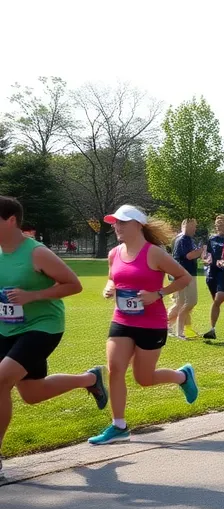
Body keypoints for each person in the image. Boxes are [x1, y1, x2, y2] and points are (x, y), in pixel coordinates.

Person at [0, 196, 107, 477]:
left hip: (43, 326)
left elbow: (74, 284)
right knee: (32, 393)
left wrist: (33, 295)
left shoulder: (36, 252)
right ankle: (90, 379)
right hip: (7, 328)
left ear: (11, 220)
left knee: (0, 379)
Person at [89, 205, 199, 444]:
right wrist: (109, 287)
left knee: (144, 378)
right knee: (115, 368)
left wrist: (158, 293)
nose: (116, 227)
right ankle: (119, 425)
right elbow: (112, 278)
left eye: (122, 222)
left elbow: (184, 277)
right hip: (122, 319)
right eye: (115, 223)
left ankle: (182, 376)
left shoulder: (154, 253)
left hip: (151, 323)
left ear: (138, 225)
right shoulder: (114, 253)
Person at [166, 218, 205, 340]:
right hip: (185, 275)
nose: (195, 229)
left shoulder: (184, 238)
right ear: (185, 226)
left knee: (180, 303)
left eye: (195, 226)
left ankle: (167, 326)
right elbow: (189, 255)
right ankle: (179, 331)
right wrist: (202, 250)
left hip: (182, 274)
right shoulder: (184, 239)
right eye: (193, 226)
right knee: (190, 301)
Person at [203, 214, 224, 300]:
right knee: (215, 300)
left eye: (221, 225)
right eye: (216, 225)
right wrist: (206, 259)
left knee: (219, 298)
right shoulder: (212, 239)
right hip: (212, 272)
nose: (218, 227)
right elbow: (207, 254)